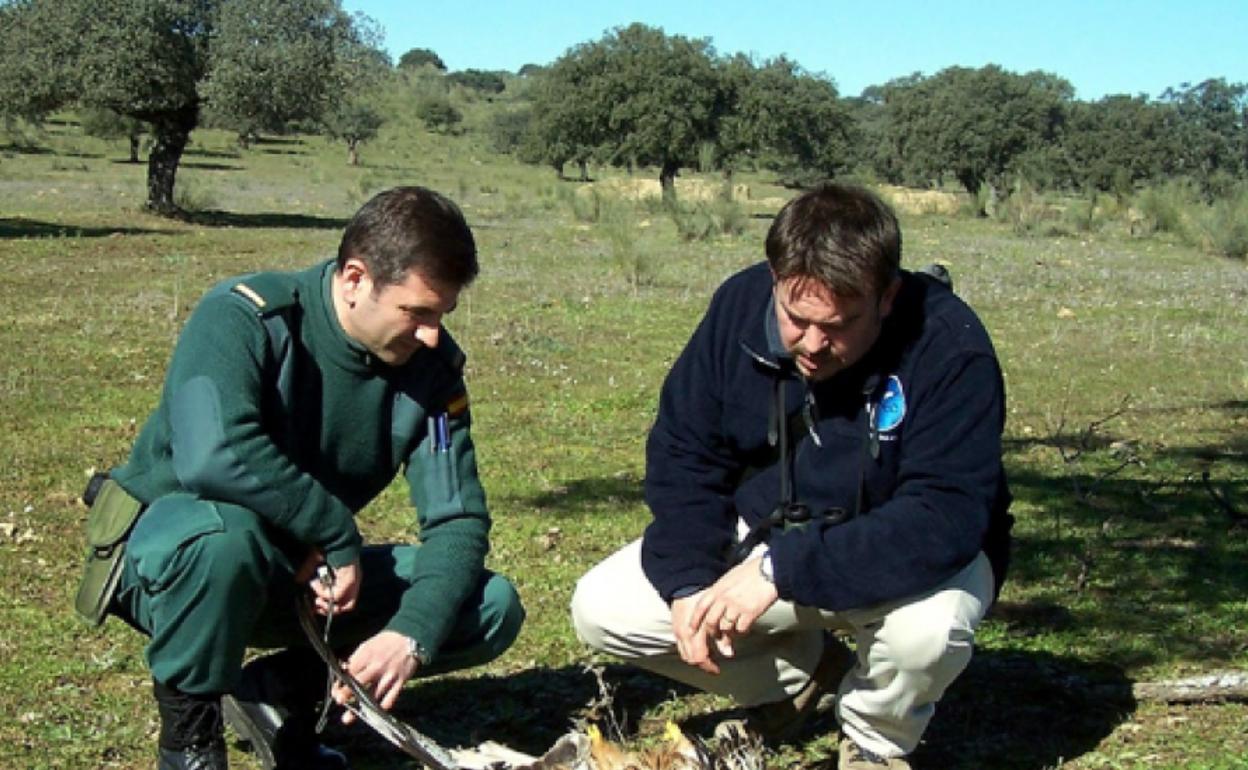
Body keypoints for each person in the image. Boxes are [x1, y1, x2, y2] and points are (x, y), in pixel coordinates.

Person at [571, 183, 1012, 770]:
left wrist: (785, 568)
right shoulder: (738, 306)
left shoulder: (950, 350)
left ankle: (874, 743)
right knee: (604, 608)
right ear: (775, 279)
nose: (811, 344)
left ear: (887, 297)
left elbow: (944, 518)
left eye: (838, 325)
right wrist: (687, 581)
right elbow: (686, 452)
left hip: (898, 554)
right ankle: (796, 679)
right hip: (769, 535)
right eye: (795, 318)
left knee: (926, 635)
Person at [83, 186, 524, 770]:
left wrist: (409, 636)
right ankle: (190, 742)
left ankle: (276, 694)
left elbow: (458, 519)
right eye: (417, 313)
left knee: (485, 604)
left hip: (301, 574)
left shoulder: (431, 372)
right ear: (354, 279)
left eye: (442, 315)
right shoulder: (245, 317)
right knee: (225, 539)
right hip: (171, 562)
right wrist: (335, 531)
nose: (432, 334)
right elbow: (212, 456)